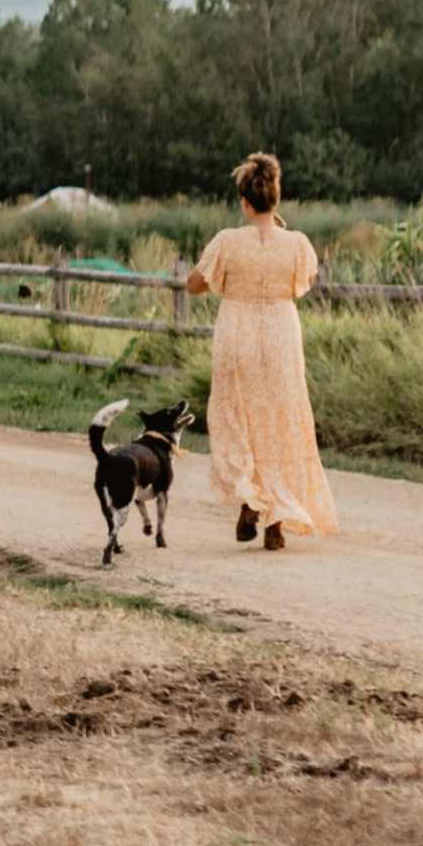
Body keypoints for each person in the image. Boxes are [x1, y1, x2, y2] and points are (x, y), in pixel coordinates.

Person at [179, 152, 338, 551]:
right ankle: (276, 519)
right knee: (280, 422)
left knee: (238, 418)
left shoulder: (228, 242)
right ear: (276, 199)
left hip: (239, 334)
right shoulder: (297, 243)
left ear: (245, 202)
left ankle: (251, 498)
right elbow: (305, 281)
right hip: (281, 335)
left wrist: (213, 276)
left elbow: (194, 284)